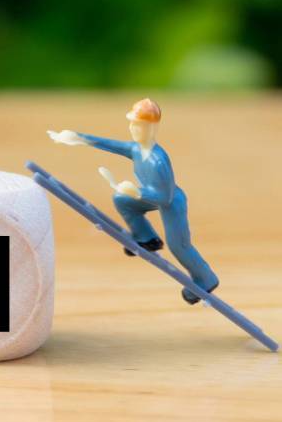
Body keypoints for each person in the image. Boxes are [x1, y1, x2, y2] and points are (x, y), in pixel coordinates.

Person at [48, 98, 219, 304]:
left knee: (178, 246)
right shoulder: (136, 149)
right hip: (150, 196)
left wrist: (138, 193)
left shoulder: (158, 161)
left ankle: (206, 278)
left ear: (152, 128)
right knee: (122, 199)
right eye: (132, 123)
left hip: (172, 202)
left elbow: (165, 198)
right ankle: (146, 238)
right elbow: (110, 145)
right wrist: (79, 138)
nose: (133, 128)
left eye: (138, 125)